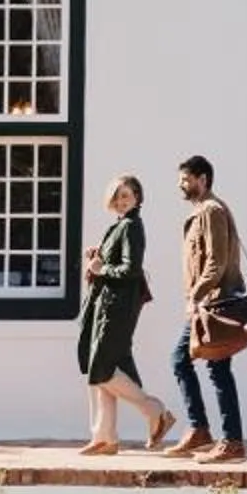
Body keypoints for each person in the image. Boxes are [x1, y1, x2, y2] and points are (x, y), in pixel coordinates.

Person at [75, 176, 172, 454]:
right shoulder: (120, 225)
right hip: (108, 305)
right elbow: (116, 263)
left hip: (116, 308)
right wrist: (99, 257)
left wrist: (101, 269)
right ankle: (104, 437)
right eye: (116, 197)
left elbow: (131, 269)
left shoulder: (131, 226)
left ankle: (155, 411)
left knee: (102, 368)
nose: (120, 201)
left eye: (126, 196)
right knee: (102, 367)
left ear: (137, 198)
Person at [161, 154, 246, 463]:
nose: (181, 185)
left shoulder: (212, 211)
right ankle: (202, 430)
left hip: (216, 303)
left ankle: (230, 441)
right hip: (208, 304)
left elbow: (216, 263)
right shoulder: (202, 211)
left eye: (186, 179)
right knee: (196, 364)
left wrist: (195, 297)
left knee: (204, 365)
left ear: (203, 179)